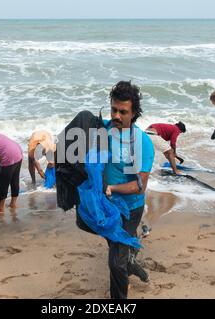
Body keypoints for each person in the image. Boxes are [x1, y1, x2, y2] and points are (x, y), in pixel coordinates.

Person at [76, 81, 155, 299]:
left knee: (115, 262)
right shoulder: (105, 130)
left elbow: (140, 186)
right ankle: (130, 259)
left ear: (134, 113)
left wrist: (111, 187)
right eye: (114, 110)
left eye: (123, 112)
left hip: (129, 209)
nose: (117, 116)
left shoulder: (142, 143)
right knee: (82, 221)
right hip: (106, 205)